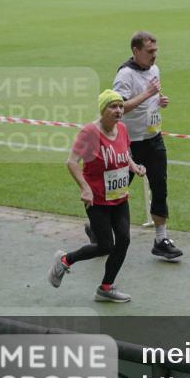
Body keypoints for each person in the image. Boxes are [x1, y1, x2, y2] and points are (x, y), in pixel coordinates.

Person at [48, 90, 145, 303]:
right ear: (103, 109)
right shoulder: (90, 133)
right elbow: (72, 162)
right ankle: (65, 260)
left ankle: (106, 288)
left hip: (119, 197)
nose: (119, 110)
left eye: (121, 106)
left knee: (124, 240)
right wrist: (85, 188)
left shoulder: (122, 129)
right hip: (97, 200)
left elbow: (125, 154)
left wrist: (134, 167)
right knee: (105, 246)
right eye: (113, 106)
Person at [111, 31, 182, 261]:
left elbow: (152, 98)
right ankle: (97, 228)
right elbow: (118, 108)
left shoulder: (154, 70)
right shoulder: (125, 75)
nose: (154, 55)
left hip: (154, 138)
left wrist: (159, 100)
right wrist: (147, 94)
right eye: (150, 51)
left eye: (155, 51)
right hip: (129, 143)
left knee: (160, 186)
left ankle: (161, 239)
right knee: (117, 190)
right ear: (136, 51)